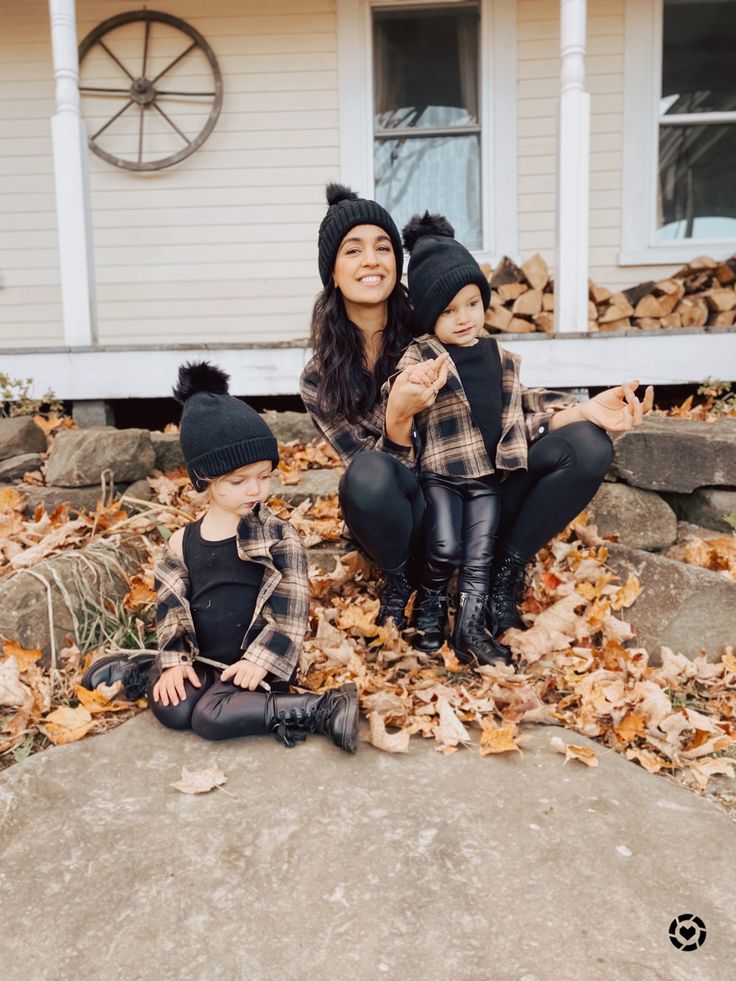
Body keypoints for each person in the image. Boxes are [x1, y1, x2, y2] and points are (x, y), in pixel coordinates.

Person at [394, 213, 654, 662]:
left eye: (472, 304)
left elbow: (524, 409)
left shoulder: (502, 358)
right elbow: (398, 391)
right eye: (448, 311)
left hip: (489, 481)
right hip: (441, 477)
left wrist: (585, 408)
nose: (462, 319)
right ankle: (430, 608)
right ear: (427, 317)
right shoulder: (423, 356)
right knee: (445, 547)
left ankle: (471, 630)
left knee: (476, 558)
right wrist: (410, 384)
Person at [82, 361, 359, 753]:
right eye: (238, 481)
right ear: (204, 482)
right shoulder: (180, 542)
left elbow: (290, 612)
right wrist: (176, 662)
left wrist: (258, 661)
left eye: (264, 476)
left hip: (260, 665)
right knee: (174, 709)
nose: (255, 490)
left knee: (212, 717)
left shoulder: (278, 537)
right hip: (203, 663)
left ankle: (323, 708)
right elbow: (172, 611)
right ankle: (144, 671)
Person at [300, 183, 448, 628]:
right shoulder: (318, 378)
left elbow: (497, 397)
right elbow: (371, 478)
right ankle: (402, 578)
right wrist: (399, 418)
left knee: (582, 446)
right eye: (353, 250)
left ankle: (495, 577)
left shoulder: (433, 333)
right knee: (365, 474)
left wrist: (576, 413)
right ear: (332, 273)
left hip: (458, 496)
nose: (371, 260)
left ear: (396, 263)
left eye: (383, 247)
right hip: (396, 515)